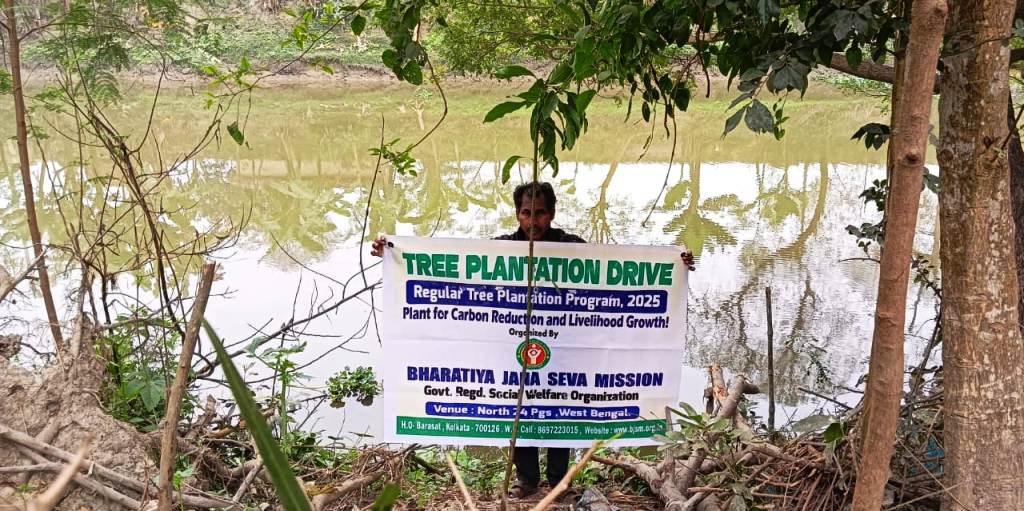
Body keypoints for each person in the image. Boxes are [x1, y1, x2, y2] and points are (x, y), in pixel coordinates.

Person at [371, 181, 694, 499]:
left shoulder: (573, 245)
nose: (533, 220)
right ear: (517, 214)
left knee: (563, 409)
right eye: (526, 213)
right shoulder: (502, 247)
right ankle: (526, 481)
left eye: (540, 213)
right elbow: (456, 270)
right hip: (512, 350)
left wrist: (676, 265)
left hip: (565, 348)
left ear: (551, 214)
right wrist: (391, 253)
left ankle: (558, 482)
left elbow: (618, 269)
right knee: (517, 410)